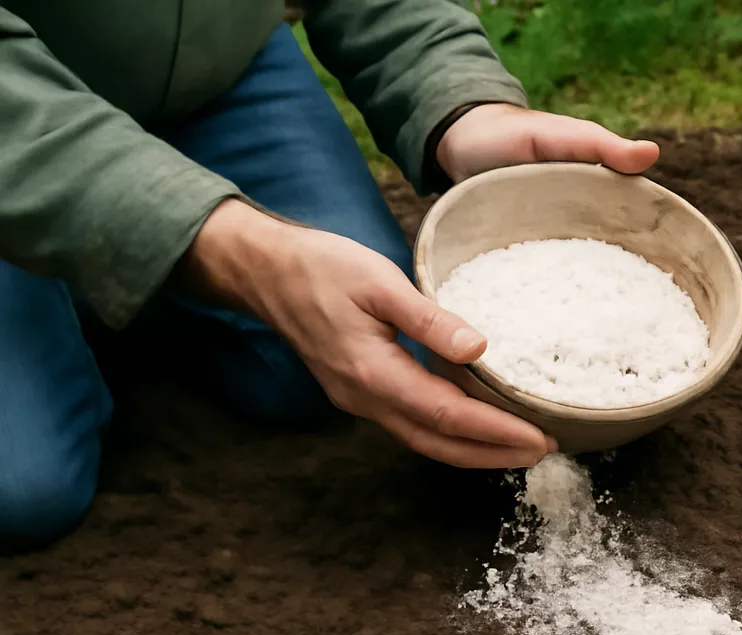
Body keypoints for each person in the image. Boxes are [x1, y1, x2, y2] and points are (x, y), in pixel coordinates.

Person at [0, 1, 660, 552]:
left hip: (215, 72)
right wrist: (240, 255)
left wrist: (459, 96)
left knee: (360, 347)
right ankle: (77, 251)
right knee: (25, 486)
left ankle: (111, 260)